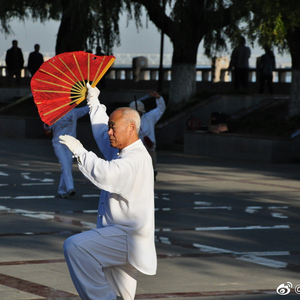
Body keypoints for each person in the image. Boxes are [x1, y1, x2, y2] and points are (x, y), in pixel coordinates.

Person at [59, 83, 157, 300]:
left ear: (131, 128)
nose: (109, 132)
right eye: (111, 127)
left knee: (75, 247)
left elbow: (107, 174)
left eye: (114, 127)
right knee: (123, 296)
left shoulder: (136, 158)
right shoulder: (121, 149)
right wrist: (93, 101)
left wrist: (80, 152)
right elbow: (102, 129)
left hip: (128, 237)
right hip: (118, 235)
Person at [44, 106, 89, 198]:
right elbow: (47, 129)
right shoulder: (53, 114)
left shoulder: (73, 112)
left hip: (70, 144)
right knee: (65, 165)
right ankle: (70, 188)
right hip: (58, 143)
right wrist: (46, 125)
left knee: (67, 167)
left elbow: (86, 109)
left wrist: (92, 98)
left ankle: (61, 190)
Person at [129, 90, 166, 179]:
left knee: (151, 164)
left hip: (149, 147)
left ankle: (152, 174)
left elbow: (161, 109)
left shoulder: (149, 117)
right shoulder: (128, 121)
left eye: (138, 111)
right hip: (135, 148)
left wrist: (158, 98)